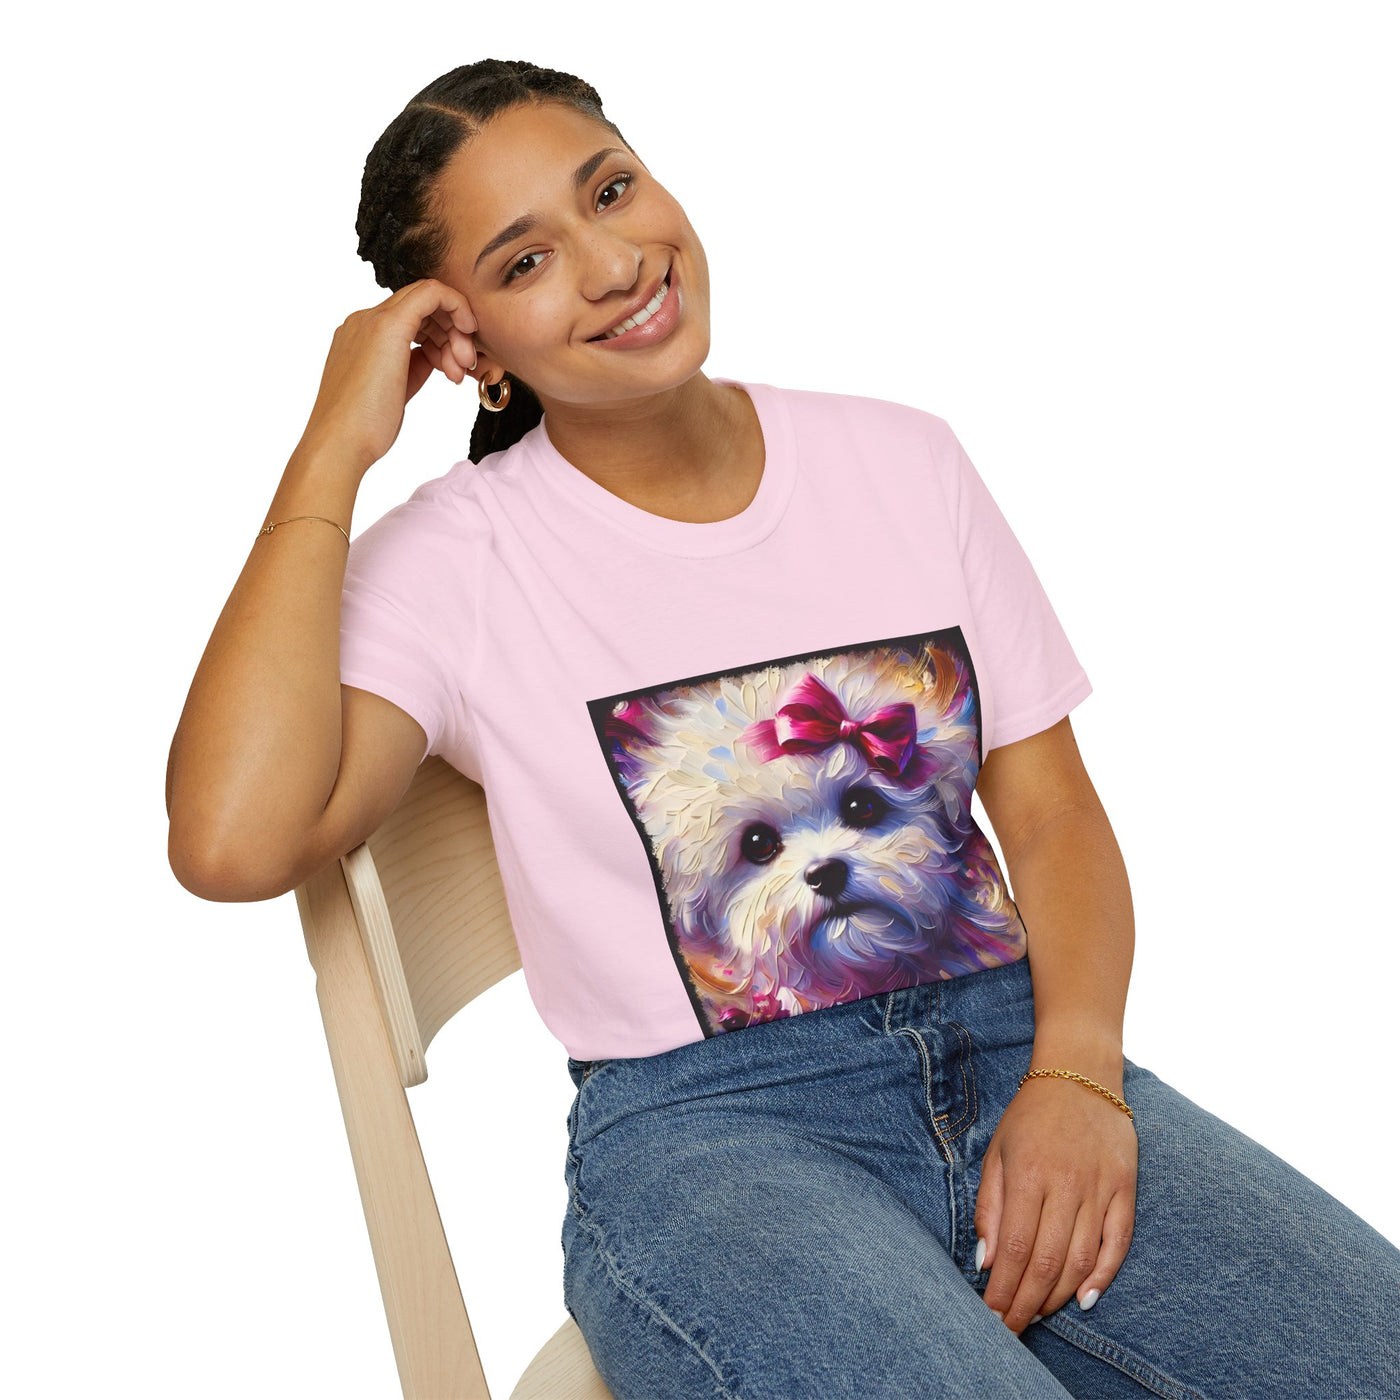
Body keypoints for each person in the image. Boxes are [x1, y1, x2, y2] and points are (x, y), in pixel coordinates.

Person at [165, 58, 1400, 1400]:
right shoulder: (458, 562)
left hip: (1020, 1050)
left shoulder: (904, 460)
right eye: (526, 262)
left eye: (611, 191)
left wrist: (1081, 1076)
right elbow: (232, 842)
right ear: (471, 348)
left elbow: (1051, 817)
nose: (613, 264)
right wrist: (332, 448)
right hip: (713, 1142)